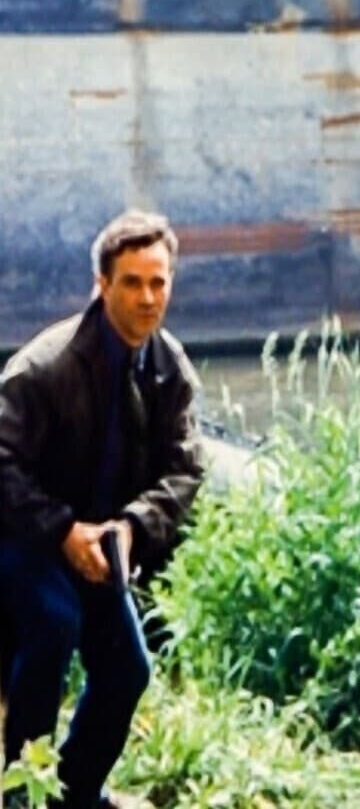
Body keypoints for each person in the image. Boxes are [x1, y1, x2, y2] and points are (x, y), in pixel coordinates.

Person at [0, 209, 203, 809]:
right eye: (132, 283)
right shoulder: (46, 366)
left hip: (104, 543)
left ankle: (76, 793)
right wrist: (63, 530)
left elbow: (186, 467)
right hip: (26, 536)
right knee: (53, 626)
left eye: (158, 283)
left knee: (127, 669)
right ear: (102, 285)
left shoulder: (169, 367)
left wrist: (132, 527)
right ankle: (23, 795)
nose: (147, 298)